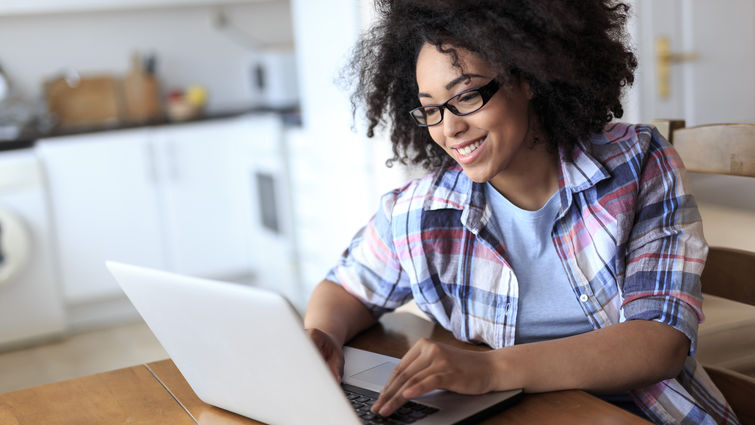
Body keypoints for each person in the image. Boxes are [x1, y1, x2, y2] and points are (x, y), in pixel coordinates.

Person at [303, 1, 739, 424]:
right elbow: (345, 288)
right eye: (431, 109)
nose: (449, 128)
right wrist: (322, 338)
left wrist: (490, 371)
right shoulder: (424, 210)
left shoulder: (637, 164)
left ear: (527, 76)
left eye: (468, 96)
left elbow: (659, 342)